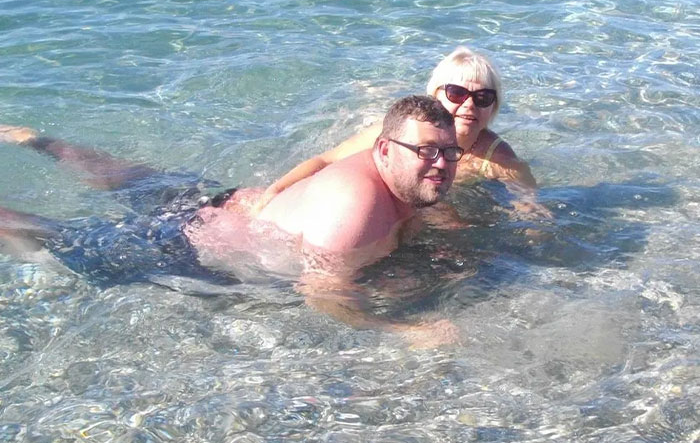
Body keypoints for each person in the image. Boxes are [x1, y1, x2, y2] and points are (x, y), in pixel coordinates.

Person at [0, 96, 462, 346]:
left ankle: (35, 140)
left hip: (225, 205)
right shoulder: (356, 210)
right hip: (187, 247)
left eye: (449, 151)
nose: (441, 163)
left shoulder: (394, 171)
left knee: (126, 177)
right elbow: (323, 296)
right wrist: (404, 332)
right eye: (426, 151)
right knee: (54, 240)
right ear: (385, 149)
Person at [253, 45, 548, 218]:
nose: (469, 105)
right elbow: (326, 161)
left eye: (482, 98)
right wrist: (275, 191)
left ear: (494, 106)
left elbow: (529, 204)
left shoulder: (497, 158)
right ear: (435, 95)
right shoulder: (399, 136)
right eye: (457, 93)